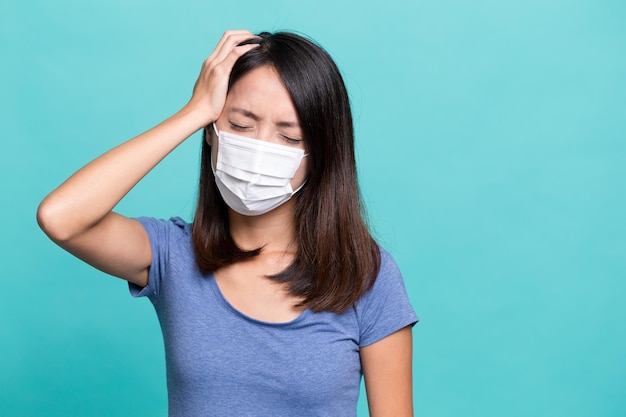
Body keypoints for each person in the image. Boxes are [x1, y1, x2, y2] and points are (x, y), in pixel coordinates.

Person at [37, 30, 418, 417]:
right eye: (239, 125)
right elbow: (61, 217)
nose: (260, 148)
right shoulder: (172, 255)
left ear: (320, 154)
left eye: (288, 136)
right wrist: (193, 112)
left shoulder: (366, 275)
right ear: (211, 131)